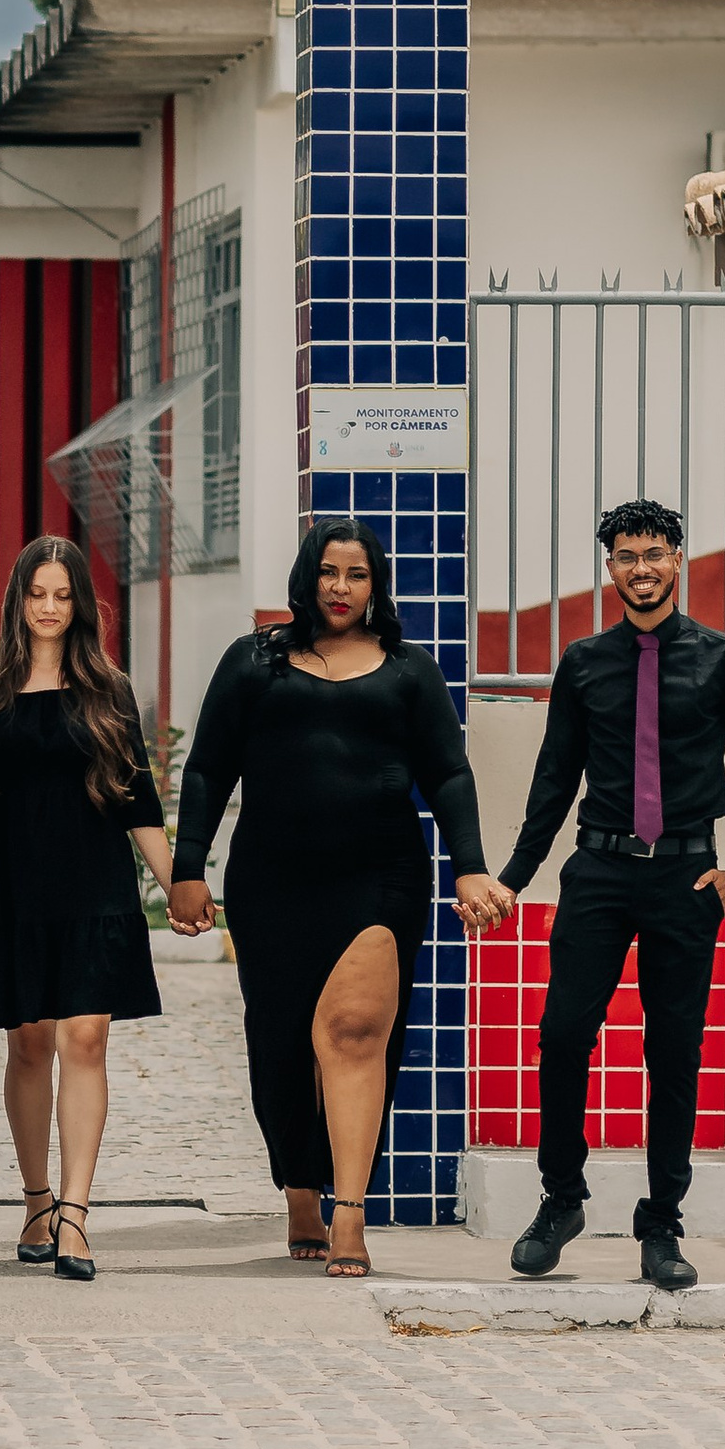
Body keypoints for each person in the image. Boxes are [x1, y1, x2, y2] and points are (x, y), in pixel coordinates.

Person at [169, 520, 509, 1279]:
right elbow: (206, 769)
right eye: (329, 572)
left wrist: (470, 867)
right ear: (307, 578)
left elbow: (448, 774)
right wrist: (188, 867)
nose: (341, 588)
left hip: (379, 876)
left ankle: (349, 1210)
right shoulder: (256, 661)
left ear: (376, 585)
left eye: (357, 575)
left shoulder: (408, 673)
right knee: (282, 1044)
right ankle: (300, 1185)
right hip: (271, 880)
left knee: (358, 1034)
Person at [498, 496, 725, 1293]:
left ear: (677, 560)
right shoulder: (584, 661)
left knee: (673, 1053)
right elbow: (553, 783)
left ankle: (661, 1224)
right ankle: (561, 1200)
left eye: (654, 554)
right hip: (596, 872)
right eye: (626, 556)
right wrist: (512, 880)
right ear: (611, 570)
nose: (641, 568)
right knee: (563, 1035)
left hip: (686, 879)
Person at [0, 534, 174, 1286]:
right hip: (19, 889)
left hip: (97, 884)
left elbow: (138, 797)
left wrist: (177, 883)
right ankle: (36, 1198)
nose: (49, 607)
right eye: (37, 594)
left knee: (85, 1039)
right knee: (28, 1046)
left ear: (81, 605)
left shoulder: (108, 689)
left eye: (63, 595)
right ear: (18, 600)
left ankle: (76, 1214)